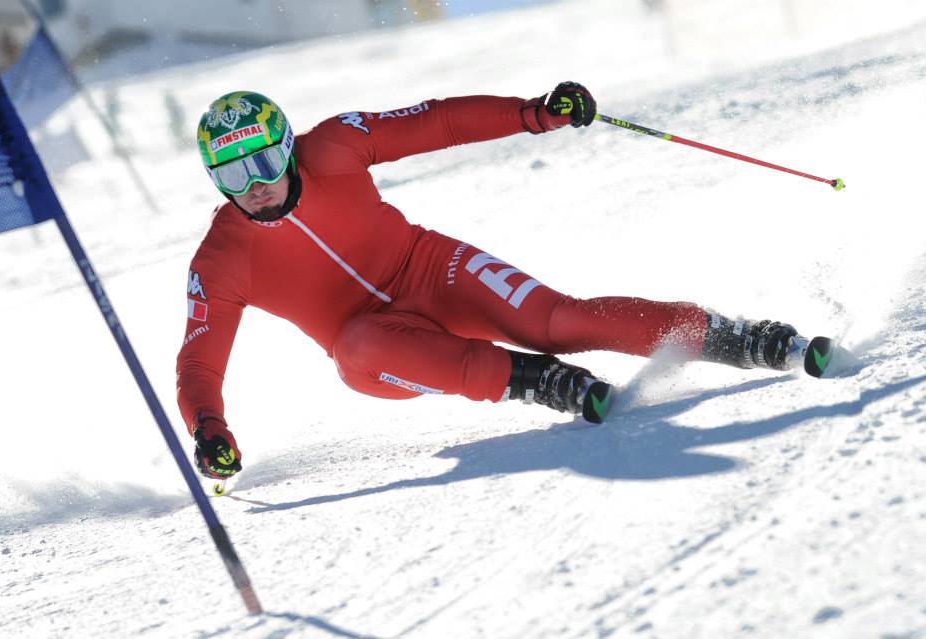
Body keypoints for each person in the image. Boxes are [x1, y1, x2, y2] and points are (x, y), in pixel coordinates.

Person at [178, 84, 804, 480]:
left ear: (286, 147)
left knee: (558, 321)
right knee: (356, 349)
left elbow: (440, 122)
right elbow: (199, 364)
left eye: (261, 162)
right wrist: (211, 430)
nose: (254, 184)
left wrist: (534, 115)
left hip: (431, 269)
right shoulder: (221, 260)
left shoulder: (336, 146)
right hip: (385, 349)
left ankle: (732, 338)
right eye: (232, 175)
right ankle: (537, 382)